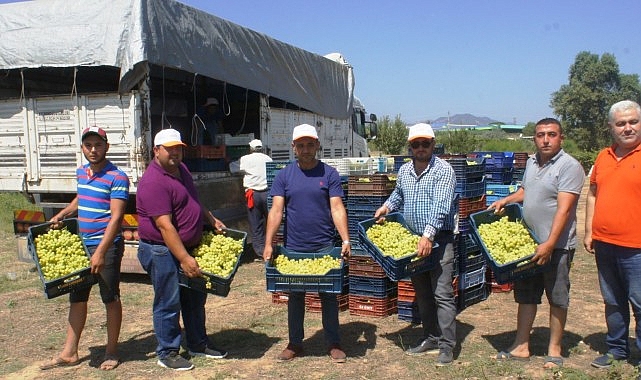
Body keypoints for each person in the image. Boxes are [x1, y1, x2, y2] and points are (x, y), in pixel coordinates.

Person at [488, 118, 584, 369]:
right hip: (529, 244)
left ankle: (554, 349)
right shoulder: (531, 162)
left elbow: (564, 210)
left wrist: (550, 243)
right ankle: (521, 345)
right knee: (526, 295)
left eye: (551, 135)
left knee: (557, 297)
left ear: (560, 138)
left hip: (557, 246)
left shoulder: (569, 166)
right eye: (540, 135)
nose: (545, 139)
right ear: (534, 138)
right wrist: (506, 200)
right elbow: (525, 192)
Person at [136, 128, 228, 371]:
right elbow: (165, 226)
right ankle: (167, 352)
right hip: (161, 251)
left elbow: (192, 200)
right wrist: (185, 258)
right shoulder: (153, 182)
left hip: (186, 246)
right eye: (170, 148)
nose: (175, 152)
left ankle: (198, 343)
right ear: (156, 151)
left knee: (195, 298)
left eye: (178, 148)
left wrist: (210, 218)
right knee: (168, 300)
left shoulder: (181, 169)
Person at [39, 126, 129, 371]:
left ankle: (111, 351)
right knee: (77, 297)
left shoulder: (117, 176)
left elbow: (117, 217)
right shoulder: (82, 172)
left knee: (110, 297)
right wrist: (62, 214)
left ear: (106, 147)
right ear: (82, 147)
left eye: (98, 145)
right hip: (82, 244)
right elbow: (81, 198)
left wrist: (100, 251)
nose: (93, 149)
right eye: (88, 145)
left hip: (106, 246)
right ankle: (70, 352)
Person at [263, 123, 351, 363]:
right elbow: (276, 210)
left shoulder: (329, 174)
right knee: (296, 296)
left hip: (323, 247)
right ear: (293, 148)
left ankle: (333, 343)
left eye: (310, 144)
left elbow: (337, 208)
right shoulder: (284, 175)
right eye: (300, 145)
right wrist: (269, 242)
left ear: (317, 145)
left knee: (328, 295)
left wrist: (345, 238)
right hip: (294, 247)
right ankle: (295, 343)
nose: (305, 149)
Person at [373, 123, 458, 366]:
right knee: (422, 294)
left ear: (433, 144)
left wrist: (428, 236)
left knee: (442, 294)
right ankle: (431, 337)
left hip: (438, 240)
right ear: (410, 147)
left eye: (425, 143)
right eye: (415, 144)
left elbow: (441, 206)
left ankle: (447, 346)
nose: (420, 148)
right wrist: (386, 207)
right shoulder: (405, 170)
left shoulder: (444, 170)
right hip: (413, 241)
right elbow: (398, 194)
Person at [584, 100, 641, 371]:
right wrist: (589, 230)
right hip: (605, 244)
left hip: (637, 247)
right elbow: (593, 193)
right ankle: (617, 349)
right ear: (611, 127)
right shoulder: (603, 157)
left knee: (640, 303)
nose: (628, 128)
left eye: (633, 122)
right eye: (621, 123)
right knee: (613, 301)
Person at [239, 139, 273, 260]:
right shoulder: (268, 159)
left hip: (252, 195)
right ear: (261, 148)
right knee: (271, 222)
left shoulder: (245, 159)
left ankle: (260, 252)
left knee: (256, 224)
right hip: (267, 193)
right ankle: (272, 248)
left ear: (251, 148)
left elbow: (236, 168)